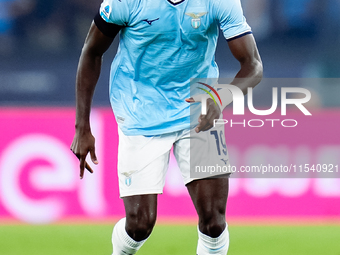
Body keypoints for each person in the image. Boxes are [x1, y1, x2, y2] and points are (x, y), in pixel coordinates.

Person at [70, 0, 262, 254]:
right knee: (139, 225)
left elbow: (253, 65)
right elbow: (92, 51)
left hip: (198, 111)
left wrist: (221, 97)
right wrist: (82, 126)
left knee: (214, 221)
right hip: (140, 112)